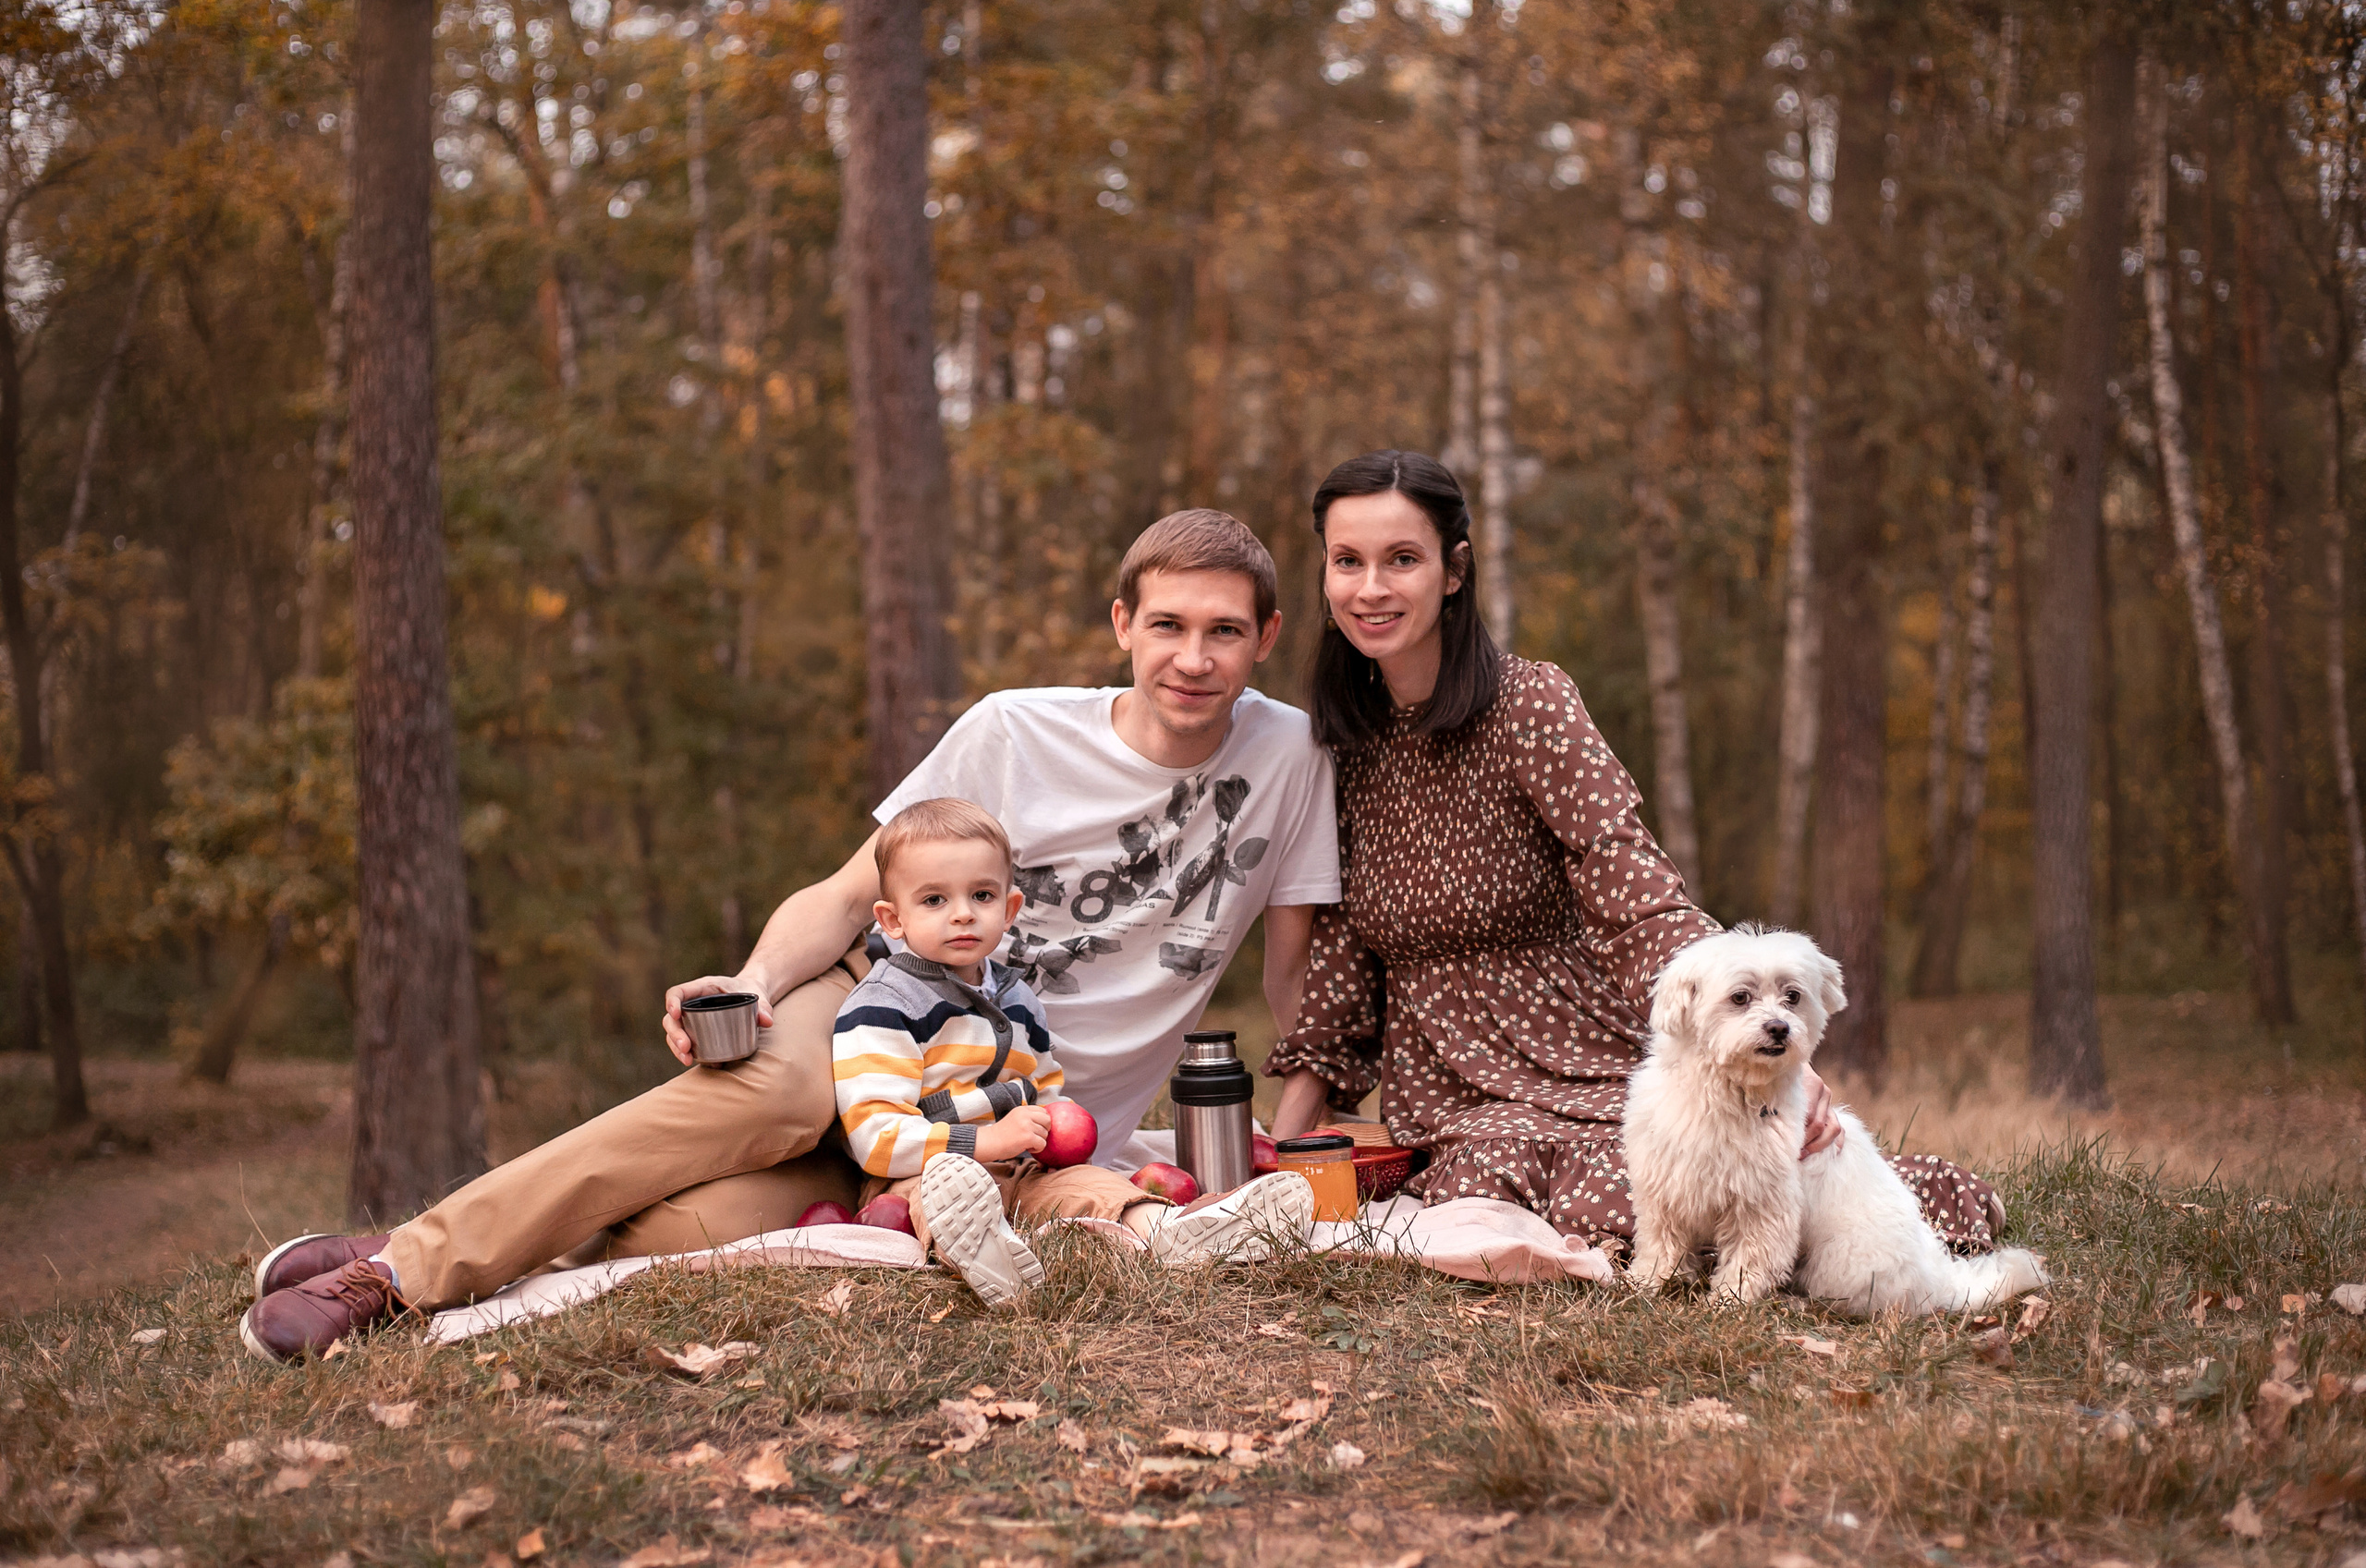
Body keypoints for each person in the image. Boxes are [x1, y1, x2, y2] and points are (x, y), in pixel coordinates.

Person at [239, 508, 1341, 1362]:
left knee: (666, 1238)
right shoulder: (1013, 730)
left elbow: (1293, 971)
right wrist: (757, 982)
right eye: (1167, 626)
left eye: (1223, 631)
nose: (1192, 658)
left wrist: (1302, 1128)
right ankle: (396, 1279)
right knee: (769, 1093)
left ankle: (430, 1236)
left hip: (1003, 1121)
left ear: (1266, 638)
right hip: (884, 1013)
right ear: (1121, 626)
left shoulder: (1290, 759)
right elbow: (841, 890)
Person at [1263, 450, 2004, 1252]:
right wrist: (1272, 1156)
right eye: (1348, 562)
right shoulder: (1341, 750)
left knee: (1657, 1187)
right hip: (1450, 1102)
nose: (1371, 588)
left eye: (1402, 559)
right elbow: (1340, 975)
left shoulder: (1531, 704)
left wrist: (1767, 1029)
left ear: (1453, 571)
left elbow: (1635, 891)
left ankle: (1871, 1213)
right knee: (1479, 1192)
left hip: (1590, 1055)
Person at [836, 797, 1314, 1307]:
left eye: (981, 895)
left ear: (1009, 909)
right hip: (922, 1173)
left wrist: (1048, 1130)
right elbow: (876, 1138)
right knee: (941, 1197)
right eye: (933, 900)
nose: (962, 914)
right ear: (892, 919)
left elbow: (1043, 1087)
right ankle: (986, 1254)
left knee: (1094, 1186)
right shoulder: (882, 1006)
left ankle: (1177, 1230)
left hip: (1021, 1171)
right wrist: (988, 1142)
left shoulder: (1016, 998)